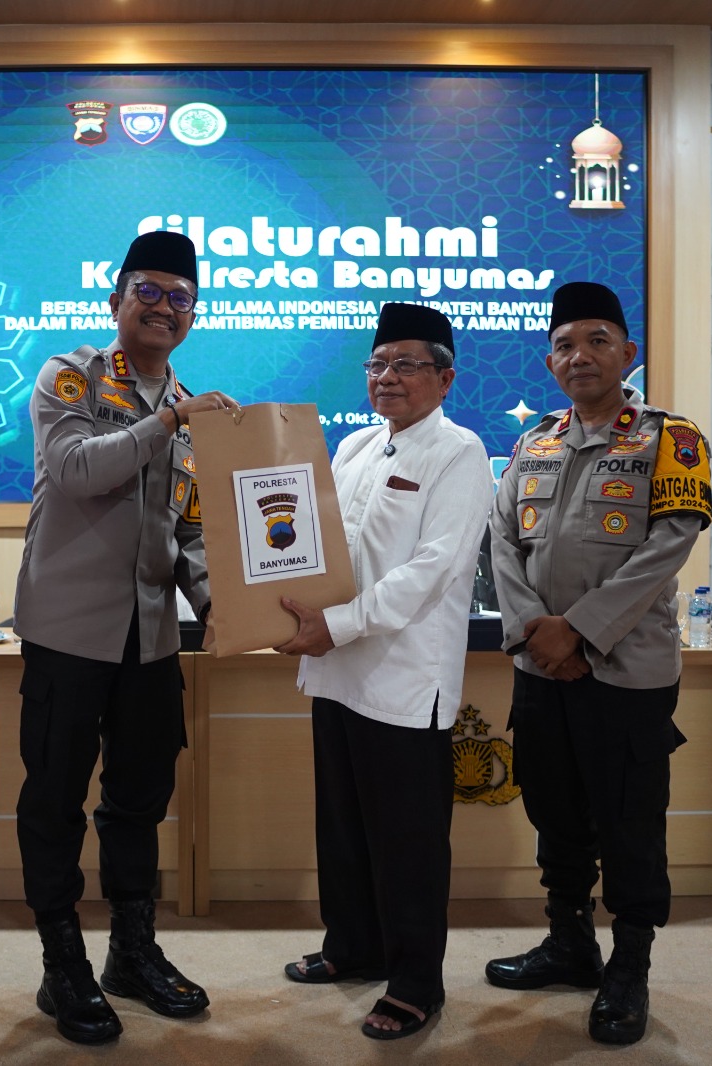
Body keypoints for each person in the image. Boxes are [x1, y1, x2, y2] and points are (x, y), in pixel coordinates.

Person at [13, 230, 236, 1045]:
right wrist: (168, 419)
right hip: (68, 634)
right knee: (54, 803)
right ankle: (61, 965)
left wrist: (219, 605)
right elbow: (76, 469)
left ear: (193, 316)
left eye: (181, 298)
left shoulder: (191, 407)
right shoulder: (70, 375)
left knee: (139, 802)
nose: (164, 308)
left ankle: (131, 954)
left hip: (151, 639)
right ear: (116, 300)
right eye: (149, 291)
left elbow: (190, 530)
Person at [485, 281, 712, 1046]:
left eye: (596, 341)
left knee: (629, 823)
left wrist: (578, 634)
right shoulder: (534, 442)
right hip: (539, 673)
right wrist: (534, 635)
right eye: (564, 345)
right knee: (555, 815)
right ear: (550, 361)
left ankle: (629, 969)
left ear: (627, 353)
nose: (579, 356)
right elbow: (501, 542)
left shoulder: (671, 439)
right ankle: (570, 944)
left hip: (626, 673)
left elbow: (669, 545)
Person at [274, 303, 491, 1040]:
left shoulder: (459, 453)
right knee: (341, 826)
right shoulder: (356, 445)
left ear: (445, 378)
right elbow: (321, 548)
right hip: (336, 672)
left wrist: (333, 625)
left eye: (406, 364)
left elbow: (433, 571)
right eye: (377, 363)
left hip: (403, 680)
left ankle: (416, 982)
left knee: (407, 841)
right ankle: (353, 947)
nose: (386, 377)